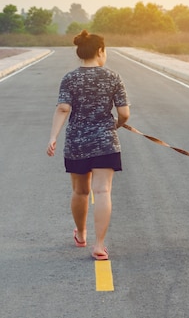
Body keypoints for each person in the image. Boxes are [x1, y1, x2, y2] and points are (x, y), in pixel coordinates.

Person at [47, 30, 130, 260]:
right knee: (103, 191)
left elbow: (63, 108)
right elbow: (124, 113)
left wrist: (53, 136)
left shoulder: (70, 78)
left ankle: (82, 235)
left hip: (77, 143)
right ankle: (99, 246)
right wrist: (116, 124)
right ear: (100, 51)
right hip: (105, 142)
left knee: (80, 191)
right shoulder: (114, 77)